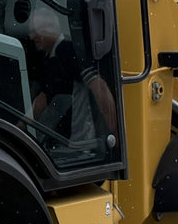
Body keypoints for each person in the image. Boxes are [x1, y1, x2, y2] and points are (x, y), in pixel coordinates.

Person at [27, 8, 116, 149]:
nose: (32, 36)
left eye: (36, 31)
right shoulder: (51, 57)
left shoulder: (67, 51)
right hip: (70, 142)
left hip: (84, 142)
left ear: (51, 28)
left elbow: (100, 86)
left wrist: (114, 135)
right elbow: (43, 98)